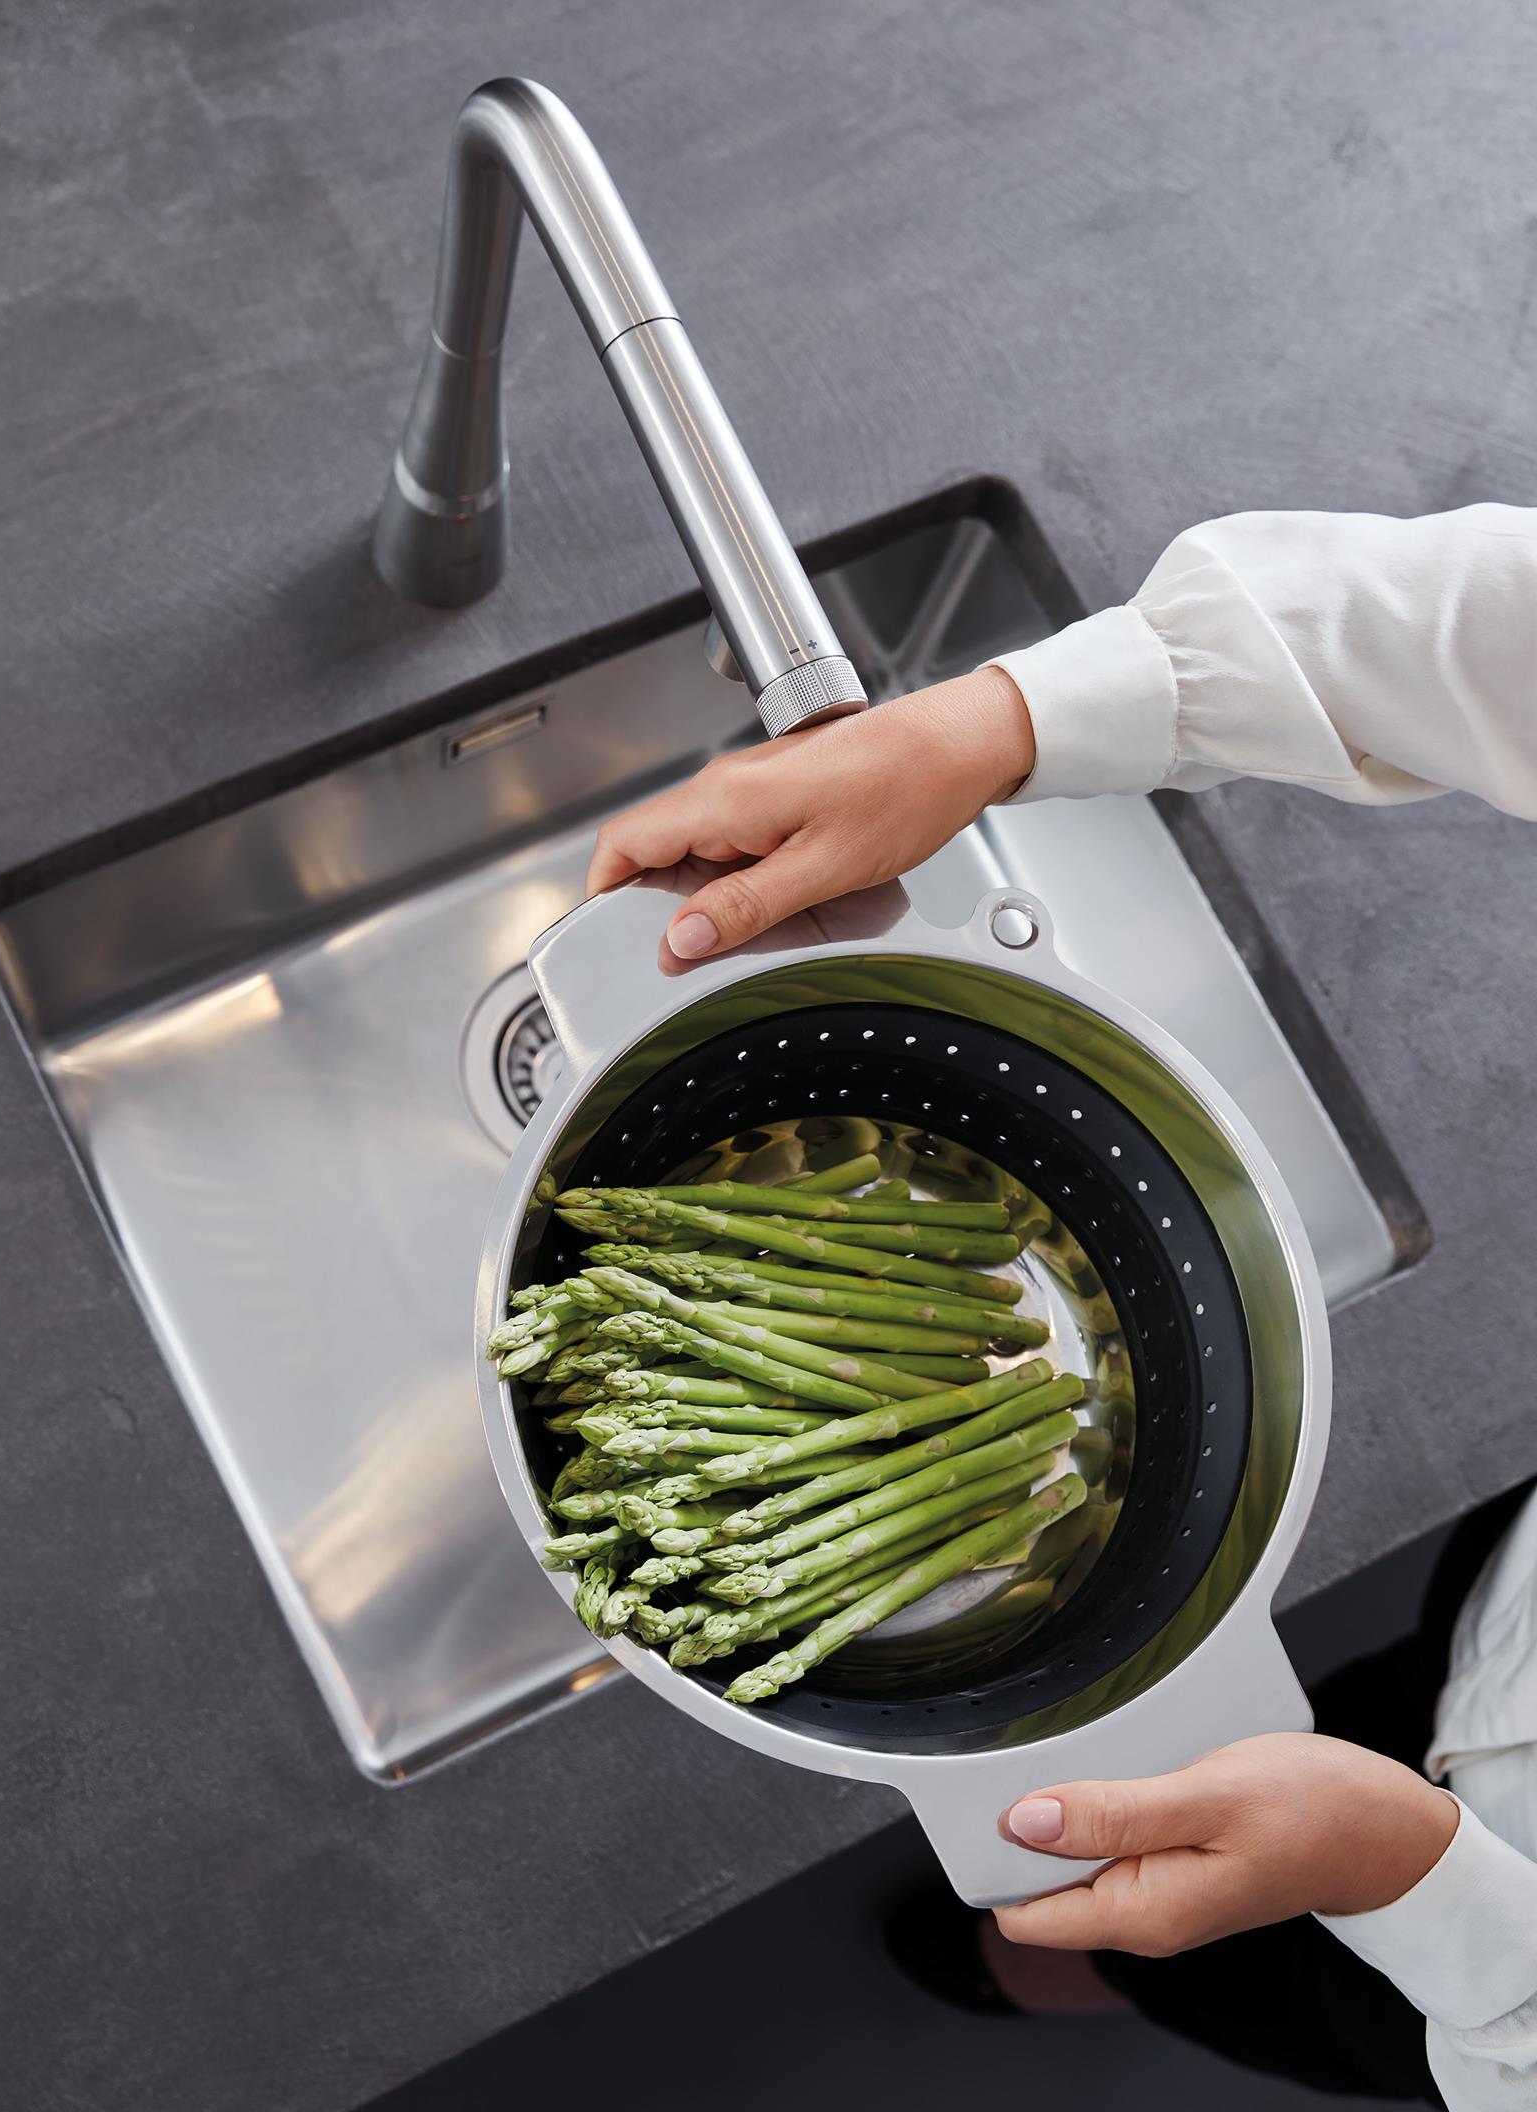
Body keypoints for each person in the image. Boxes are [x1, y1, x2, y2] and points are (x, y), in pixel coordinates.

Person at [586, 505, 1537, 2109]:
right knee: (1405, 1682)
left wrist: (1423, 1881)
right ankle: (1102, 1937)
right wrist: (1002, 722)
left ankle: (1071, 1970)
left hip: (1477, 1962)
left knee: (1240, 1951)